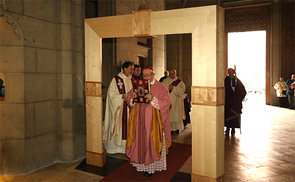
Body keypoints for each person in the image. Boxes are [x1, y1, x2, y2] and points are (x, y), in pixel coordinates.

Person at [125, 66, 172, 177]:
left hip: (153, 123)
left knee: (151, 142)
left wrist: (153, 99)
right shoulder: (138, 84)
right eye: (143, 75)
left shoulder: (161, 87)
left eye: (147, 75)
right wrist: (133, 97)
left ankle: (151, 168)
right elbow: (128, 97)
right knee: (140, 140)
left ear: (153, 74)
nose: (145, 78)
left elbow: (167, 102)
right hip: (139, 120)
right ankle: (141, 165)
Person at [103, 61, 134, 154]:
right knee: (117, 126)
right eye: (131, 69)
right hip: (118, 108)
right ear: (125, 69)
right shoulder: (116, 79)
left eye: (132, 69)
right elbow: (111, 94)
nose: (132, 71)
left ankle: (126, 147)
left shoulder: (131, 79)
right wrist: (122, 96)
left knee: (128, 126)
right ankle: (114, 148)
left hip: (129, 108)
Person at [162, 69, 187, 133]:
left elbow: (182, 90)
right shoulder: (164, 81)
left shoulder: (179, 82)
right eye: (170, 74)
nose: (171, 75)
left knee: (176, 115)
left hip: (177, 101)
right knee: (169, 116)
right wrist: (168, 88)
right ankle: (169, 129)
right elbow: (161, 90)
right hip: (168, 101)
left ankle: (177, 129)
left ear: (175, 74)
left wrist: (174, 88)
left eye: (173, 74)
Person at [224, 68, 247, 136]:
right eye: (229, 72)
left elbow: (242, 90)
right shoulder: (226, 79)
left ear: (233, 72)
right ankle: (227, 128)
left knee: (234, 115)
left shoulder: (236, 79)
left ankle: (233, 128)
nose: (230, 73)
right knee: (227, 114)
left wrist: (237, 94)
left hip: (235, 101)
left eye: (231, 72)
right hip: (228, 100)